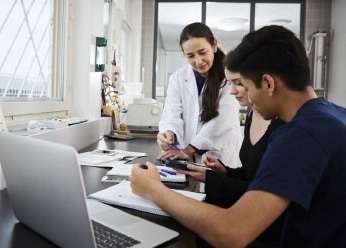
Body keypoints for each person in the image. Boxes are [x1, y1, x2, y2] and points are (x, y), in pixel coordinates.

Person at [130, 25, 346, 247]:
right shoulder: (331, 116)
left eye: (245, 86)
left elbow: (231, 233)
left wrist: (153, 189)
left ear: (268, 84)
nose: (242, 96)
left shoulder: (301, 135)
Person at [180, 67, 285, 247]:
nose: (231, 91)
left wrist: (212, 179)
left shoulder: (284, 128)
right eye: (230, 83)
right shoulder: (252, 114)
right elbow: (254, 174)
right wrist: (225, 171)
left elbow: (264, 194)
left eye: (239, 83)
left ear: (265, 82)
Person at [157, 22, 242, 169]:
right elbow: (172, 112)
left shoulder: (229, 77)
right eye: (190, 56)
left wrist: (187, 151)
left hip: (220, 156)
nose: (198, 61)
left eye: (203, 52)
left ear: (214, 45)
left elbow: (220, 122)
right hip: (187, 156)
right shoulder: (178, 78)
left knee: (217, 190)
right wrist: (168, 133)